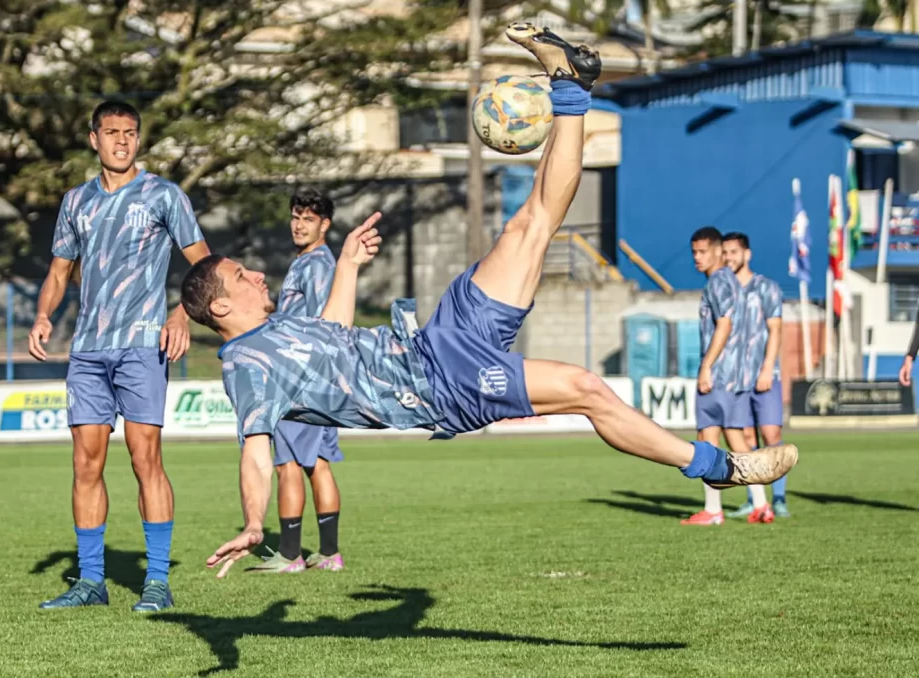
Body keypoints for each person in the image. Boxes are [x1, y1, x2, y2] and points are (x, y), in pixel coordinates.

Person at [179, 24, 798, 576]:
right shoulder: (247, 366)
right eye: (241, 277)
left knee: (529, 224)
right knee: (585, 386)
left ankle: (570, 87)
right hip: (440, 383)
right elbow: (256, 451)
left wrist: (345, 265)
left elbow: (338, 336)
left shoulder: (281, 322)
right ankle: (722, 470)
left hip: (431, 338)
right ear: (222, 307)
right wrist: (254, 523)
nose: (256, 274)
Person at [28, 100, 210, 611]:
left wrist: (181, 314)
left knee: (144, 457)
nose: (122, 141)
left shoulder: (164, 195)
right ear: (94, 139)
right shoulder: (75, 202)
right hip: (87, 349)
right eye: (112, 133)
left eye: (130, 132)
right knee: (85, 464)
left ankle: (156, 582)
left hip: (142, 344)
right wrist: (44, 316)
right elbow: (59, 273)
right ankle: (90, 583)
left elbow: (205, 265)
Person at [250, 188, 346, 574]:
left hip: (302, 379)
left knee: (287, 464)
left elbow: (325, 322)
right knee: (317, 464)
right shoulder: (306, 262)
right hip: (319, 379)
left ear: (325, 224)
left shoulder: (317, 265)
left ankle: (290, 556)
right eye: (295, 217)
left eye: (308, 219)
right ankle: (329, 555)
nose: (299, 225)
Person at [681, 227, 773, 526]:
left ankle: (712, 510)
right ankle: (761, 505)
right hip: (738, 376)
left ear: (718, 252)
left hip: (719, 374)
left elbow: (724, 325)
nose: (697, 257)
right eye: (694, 251)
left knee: (707, 440)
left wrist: (706, 366)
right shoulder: (732, 281)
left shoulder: (718, 281)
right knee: (737, 440)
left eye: (703, 251)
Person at [721, 233, 790, 519]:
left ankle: (781, 498)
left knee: (771, 434)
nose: (728, 257)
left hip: (764, 375)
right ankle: (755, 499)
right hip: (734, 379)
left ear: (747, 254)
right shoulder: (722, 290)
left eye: (733, 252)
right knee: (744, 436)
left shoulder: (767, 288)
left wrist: (766, 368)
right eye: (724, 252)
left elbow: (775, 330)